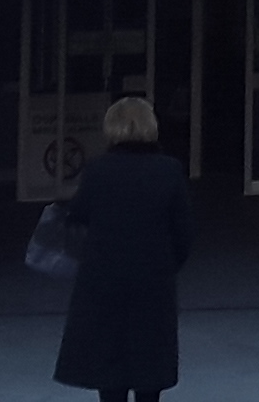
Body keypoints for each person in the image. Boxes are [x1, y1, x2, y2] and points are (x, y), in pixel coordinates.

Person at [50, 95, 195, 402]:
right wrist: (165, 265)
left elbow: (77, 218)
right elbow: (183, 234)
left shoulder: (97, 170)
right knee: (150, 370)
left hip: (103, 283)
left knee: (109, 372)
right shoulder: (169, 170)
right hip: (152, 284)